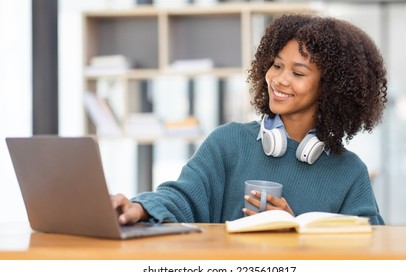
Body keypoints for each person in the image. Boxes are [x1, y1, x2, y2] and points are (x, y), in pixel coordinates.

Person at [111, 13, 387, 226]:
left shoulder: (349, 172)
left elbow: (370, 243)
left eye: (298, 73)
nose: (279, 79)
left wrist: (296, 231)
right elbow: (183, 196)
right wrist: (141, 208)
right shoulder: (228, 142)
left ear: (330, 88)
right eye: (277, 65)